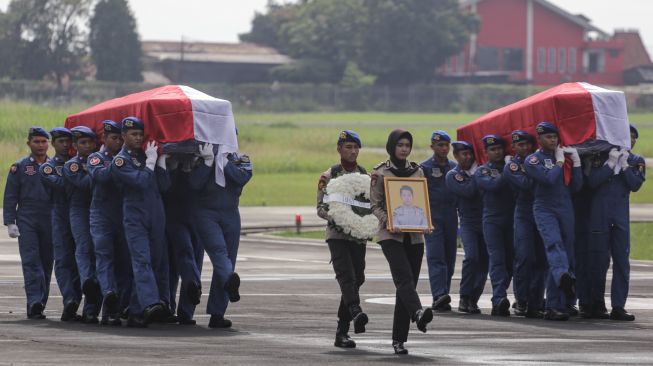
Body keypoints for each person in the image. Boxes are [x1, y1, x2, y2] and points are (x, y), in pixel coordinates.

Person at [370, 129, 433, 355]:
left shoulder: (418, 172)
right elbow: (374, 205)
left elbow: (423, 202)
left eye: (407, 145)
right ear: (392, 147)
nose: (404, 149)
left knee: (406, 288)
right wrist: (389, 221)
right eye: (400, 145)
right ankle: (417, 313)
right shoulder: (380, 173)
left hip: (415, 237)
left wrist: (426, 222)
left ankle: (399, 340)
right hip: (391, 236)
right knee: (403, 278)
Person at [110, 117, 169, 326]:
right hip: (135, 216)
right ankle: (150, 303)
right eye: (133, 134)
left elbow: (164, 186)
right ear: (123, 136)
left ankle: (135, 310)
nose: (137, 138)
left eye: (140, 134)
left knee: (155, 261)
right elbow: (141, 182)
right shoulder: (120, 161)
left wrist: (160, 162)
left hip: (155, 213)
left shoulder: (146, 155)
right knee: (141, 260)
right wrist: (151, 163)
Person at [523, 122, 582, 321]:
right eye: (548, 137)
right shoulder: (532, 160)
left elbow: (576, 186)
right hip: (545, 207)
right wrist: (558, 163)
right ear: (539, 139)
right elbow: (548, 180)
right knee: (554, 245)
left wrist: (575, 163)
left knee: (568, 253)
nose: (553, 140)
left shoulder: (563, 158)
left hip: (565, 206)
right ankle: (558, 295)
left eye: (555, 137)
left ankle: (559, 301)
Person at [585, 124, 645, 321]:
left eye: (634, 137)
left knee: (621, 262)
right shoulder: (600, 158)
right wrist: (610, 165)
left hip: (620, 216)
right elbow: (592, 182)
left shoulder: (636, 161)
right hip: (599, 214)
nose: (632, 140)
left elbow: (635, 185)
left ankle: (618, 306)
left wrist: (626, 166)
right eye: (628, 136)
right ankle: (596, 304)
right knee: (598, 261)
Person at [189, 143, 252, 328]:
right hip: (206, 212)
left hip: (231, 213)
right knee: (219, 252)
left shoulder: (240, 159)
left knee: (228, 259)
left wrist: (222, 162)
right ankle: (229, 283)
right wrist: (208, 162)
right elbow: (194, 183)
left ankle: (218, 313)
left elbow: (242, 177)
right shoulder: (202, 156)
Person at [316, 130, 369, 348]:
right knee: (346, 276)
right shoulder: (329, 176)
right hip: (337, 235)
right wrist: (338, 217)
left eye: (356, 147)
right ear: (339, 149)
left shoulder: (365, 176)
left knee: (358, 278)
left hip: (358, 236)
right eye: (348, 147)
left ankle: (343, 330)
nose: (353, 151)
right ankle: (353, 314)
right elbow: (320, 208)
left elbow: (370, 204)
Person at [3, 127, 53, 319]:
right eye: (36, 142)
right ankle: (34, 302)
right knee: (32, 263)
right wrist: (10, 222)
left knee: (47, 263)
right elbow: (10, 196)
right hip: (27, 220)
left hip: (50, 219)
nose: (41, 145)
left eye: (44, 141)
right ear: (29, 144)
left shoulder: (55, 165)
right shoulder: (20, 167)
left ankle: (41, 302)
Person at [87, 120, 133, 326]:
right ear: (104, 139)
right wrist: (118, 163)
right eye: (114, 138)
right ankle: (109, 293)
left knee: (124, 263)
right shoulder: (96, 158)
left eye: (120, 138)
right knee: (104, 258)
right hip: (102, 216)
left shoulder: (128, 159)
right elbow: (101, 177)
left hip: (123, 217)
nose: (118, 141)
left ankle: (114, 309)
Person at [39, 127, 82, 321]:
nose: (65, 145)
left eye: (68, 141)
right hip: (60, 214)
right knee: (64, 259)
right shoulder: (48, 167)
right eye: (61, 142)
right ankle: (69, 299)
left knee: (80, 259)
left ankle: (79, 301)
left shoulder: (79, 163)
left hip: (79, 212)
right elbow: (61, 184)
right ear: (54, 144)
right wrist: (75, 175)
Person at [503, 130, 546, 318]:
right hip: (523, 213)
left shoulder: (538, 160)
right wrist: (541, 174)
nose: (526, 148)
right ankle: (521, 299)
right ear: (514, 147)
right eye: (521, 145)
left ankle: (536, 300)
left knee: (542, 259)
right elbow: (528, 184)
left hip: (542, 212)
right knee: (525, 257)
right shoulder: (512, 166)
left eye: (528, 144)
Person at [63, 126, 102, 324]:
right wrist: (97, 169)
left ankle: (91, 311)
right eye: (82, 143)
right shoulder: (72, 166)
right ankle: (87, 279)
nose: (87, 146)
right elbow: (87, 185)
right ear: (75, 145)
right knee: (84, 247)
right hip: (79, 210)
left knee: (99, 252)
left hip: (100, 210)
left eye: (90, 143)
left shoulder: (99, 161)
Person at [159, 153, 203, 325]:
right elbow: (165, 188)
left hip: (197, 217)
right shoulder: (171, 165)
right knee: (178, 258)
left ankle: (186, 312)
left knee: (194, 259)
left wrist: (205, 163)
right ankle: (169, 305)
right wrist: (172, 165)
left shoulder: (207, 164)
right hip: (174, 217)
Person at [474, 135, 516, 316]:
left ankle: (503, 295)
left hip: (512, 219)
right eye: (493, 149)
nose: (497, 152)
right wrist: (509, 169)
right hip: (492, 220)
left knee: (511, 261)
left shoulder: (512, 167)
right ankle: (498, 299)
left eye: (499, 148)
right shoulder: (482, 171)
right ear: (486, 152)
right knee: (497, 260)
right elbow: (494, 186)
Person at [445, 141, 487, 314]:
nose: (468, 157)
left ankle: (473, 299)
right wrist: (477, 174)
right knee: (472, 257)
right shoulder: (453, 175)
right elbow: (469, 191)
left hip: (485, 220)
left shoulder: (480, 171)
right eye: (463, 154)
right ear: (456, 156)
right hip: (468, 221)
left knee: (485, 261)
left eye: (470, 154)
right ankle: (464, 296)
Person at [420, 130, 458, 312]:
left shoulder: (454, 167)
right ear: (432, 147)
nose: (443, 148)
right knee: (436, 257)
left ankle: (444, 294)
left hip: (451, 216)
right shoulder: (424, 168)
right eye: (439, 145)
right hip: (433, 217)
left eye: (446, 145)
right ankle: (438, 294)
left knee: (449, 258)